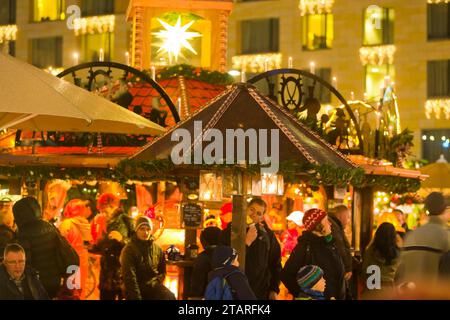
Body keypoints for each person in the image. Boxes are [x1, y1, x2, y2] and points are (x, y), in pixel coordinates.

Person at [220, 197, 282, 300]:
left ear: (262, 218)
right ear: (246, 209)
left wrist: (274, 289)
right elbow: (224, 260)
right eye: (252, 209)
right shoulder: (230, 231)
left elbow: (275, 263)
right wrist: (246, 242)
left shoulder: (267, 236)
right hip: (234, 290)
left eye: (258, 213)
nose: (253, 215)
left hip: (260, 292)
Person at [281, 208, 346, 300]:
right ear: (318, 226)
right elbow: (286, 274)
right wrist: (304, 295)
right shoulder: (304, 247)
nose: (330, 224)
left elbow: (339, 276)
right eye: (326, 221)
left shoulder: (330, 245)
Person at [13, 197, 68, 299]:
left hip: (35, 284)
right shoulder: (51, 227)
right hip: (54, 281)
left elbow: (25, 264)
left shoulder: (23, 233)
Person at [90, 193, 134, 300]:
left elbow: (135, 244)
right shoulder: (104, 221)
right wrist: (96, 245)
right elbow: (105, 243)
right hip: (107, 271)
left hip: (121, 270)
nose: (102, 213)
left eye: (104, 210)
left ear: (112, 206)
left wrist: (122, 239)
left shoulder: (125, 219)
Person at [399, 192, 450, 284]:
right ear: (444, 209)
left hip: (411, 294)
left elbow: (401, 270)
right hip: (436, 293)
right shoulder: (446, 236)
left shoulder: (412, 235)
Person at [120, 216, 175, 300]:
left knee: (169, 296)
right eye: (142, 229)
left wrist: (156, 284)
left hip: (152, 286)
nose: (145, 232)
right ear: (136, 230)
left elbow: (162, 271)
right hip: (135, 287)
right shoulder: (129, 250)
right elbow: (130, 278)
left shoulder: (157, 249)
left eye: (148, 229)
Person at [59, 199, 93, 299]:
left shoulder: (67, 224)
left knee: (70, 289)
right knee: (80, 289)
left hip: (70, 261)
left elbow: (61, 243)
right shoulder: (85, 223)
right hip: (83, 260)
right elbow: (89, 243)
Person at [361, 222, 401, 294]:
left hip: (371, 290)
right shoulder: (398, 254)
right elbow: (400, 276)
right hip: (389, 291)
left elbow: (364, 271)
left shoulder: (371, 251)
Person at [189, 226, 222, 298]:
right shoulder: (227, 254)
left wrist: (193, 296)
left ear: (204, 240)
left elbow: (197, 284)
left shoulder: (203, 257)